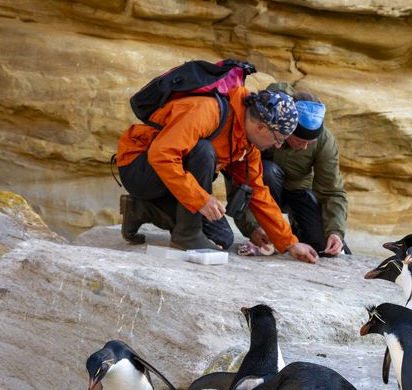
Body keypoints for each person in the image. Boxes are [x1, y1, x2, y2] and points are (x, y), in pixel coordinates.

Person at [115, 86, 319, 264]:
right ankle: (186, 234)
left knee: (222, 238)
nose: (278, 145)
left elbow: (257, 192)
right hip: (139, 167)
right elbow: (161, 155)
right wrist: (201, 199)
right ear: (262, 127)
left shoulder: (247, 144)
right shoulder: (207, 111)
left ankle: (139, 209)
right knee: (203, 150)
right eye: (279, 139)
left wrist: (290, 243)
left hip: (170, 180)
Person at [230, 83, 349, 256]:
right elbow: (241, 176)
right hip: (264, 186)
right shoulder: (268, 124)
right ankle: (267, 230)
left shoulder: (324, 141)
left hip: (299, 192)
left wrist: (336, 232)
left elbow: (332, 192)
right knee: (268, 171)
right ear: (288, 129)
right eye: (300, 141)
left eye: (310, 143)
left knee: (322, 246)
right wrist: (253, 227)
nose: (305, 147)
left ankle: (297, 234)